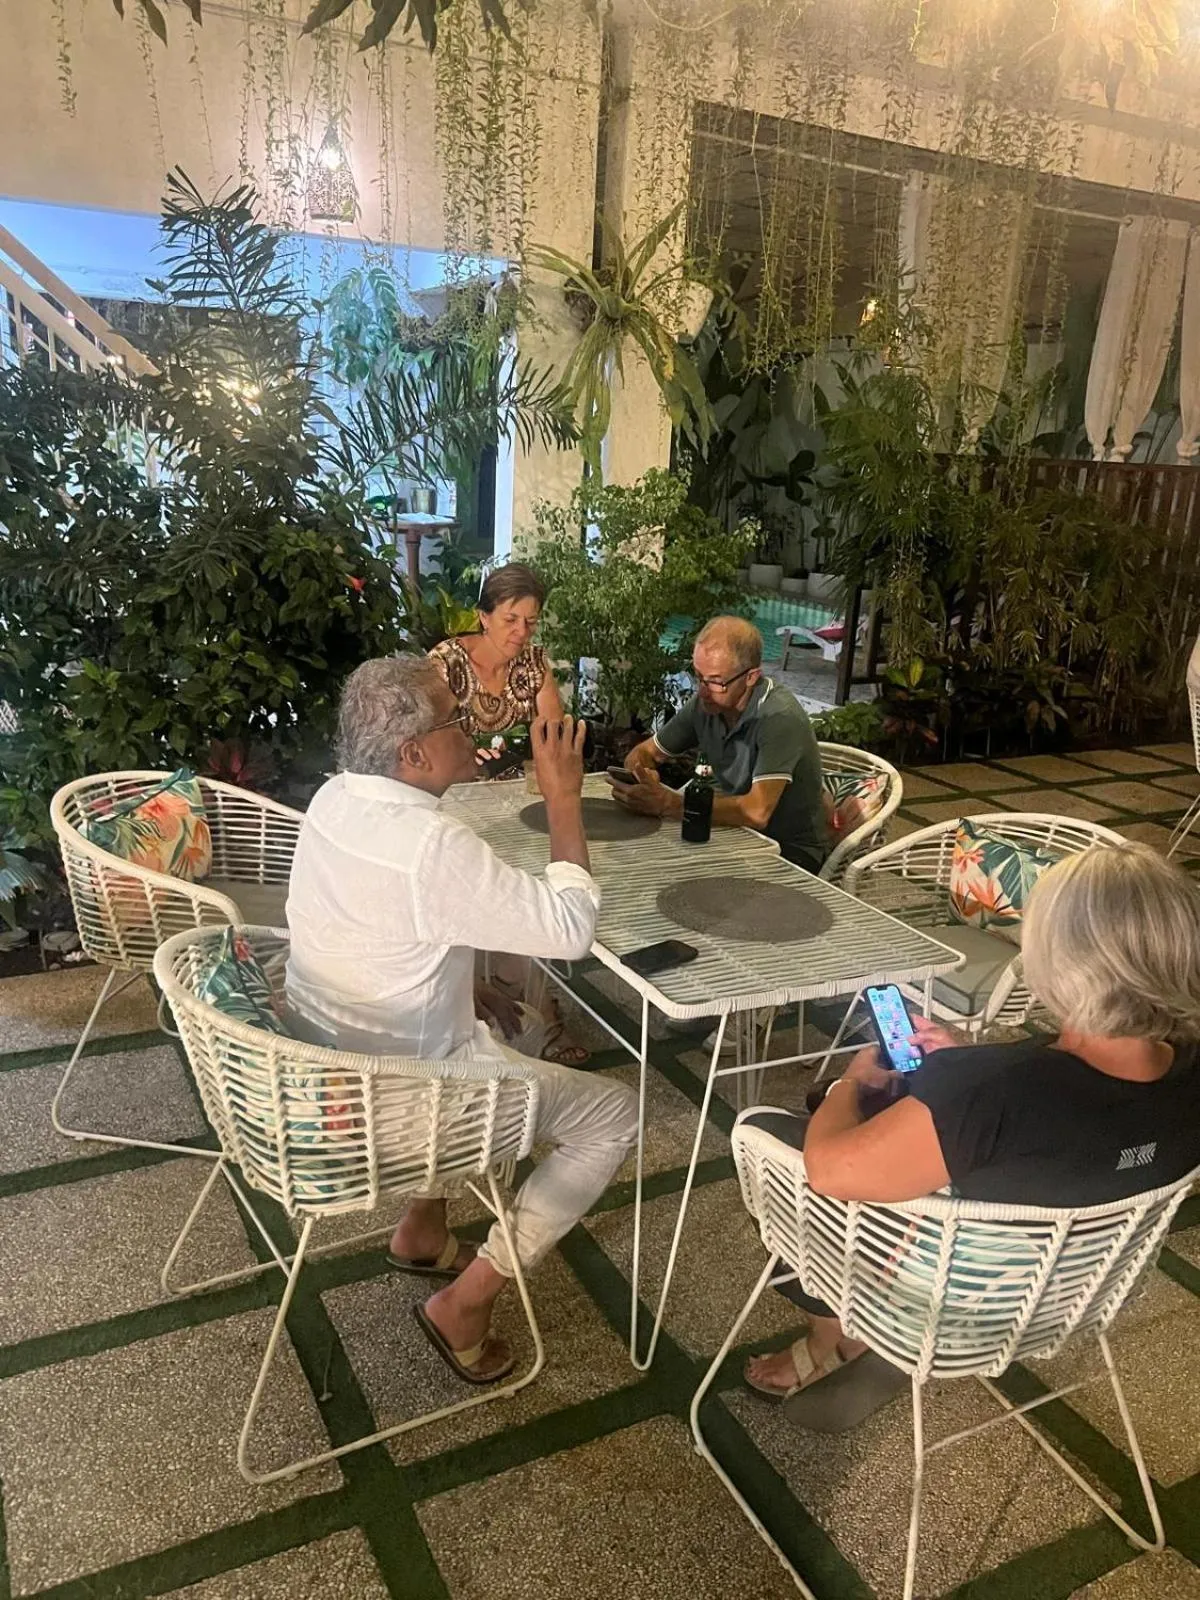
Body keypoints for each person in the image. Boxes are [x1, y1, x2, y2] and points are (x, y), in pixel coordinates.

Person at [741, 841, 1200, 1429]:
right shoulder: (1185, 1073)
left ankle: (840, 1331)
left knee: (769, 1134)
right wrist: (969, 1070)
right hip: (1073, 1303)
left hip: (935, 1312)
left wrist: (848, 1087)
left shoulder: (993, 1092)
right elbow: (1076, 1121)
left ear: (1055, 961)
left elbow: (829, 1171)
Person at [285, 654, 638, 1385]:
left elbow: (375, 931)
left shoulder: (332, 801)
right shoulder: (431, 846)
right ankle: (468, 1301)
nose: (474, 730)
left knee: (487, 1021)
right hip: (406, 1102)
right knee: (615, 1116)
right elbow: (570, 930)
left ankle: (422, 1229)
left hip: (325, 1070)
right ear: (412, 754)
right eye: (456, 719)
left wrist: (451, 987)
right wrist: (562, 798)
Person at [608, 615, 829, 871]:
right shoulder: (706, 704)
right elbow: (645, 751)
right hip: (734, 836)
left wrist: (671, 804)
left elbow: (756, 812)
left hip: (789, 853)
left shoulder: (778, 717)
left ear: (751, 677)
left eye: (715, 681)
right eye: (698, 676)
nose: (702, 691)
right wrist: (644, 776)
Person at [429, 562, 562, 757]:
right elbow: (431, 743)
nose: (522, 631)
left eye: (531, 622)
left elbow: (554, 739)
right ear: (484, 617)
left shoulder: (534, 663)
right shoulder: (446, 663)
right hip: (460, 782)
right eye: (510, 620)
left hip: (523, 782)